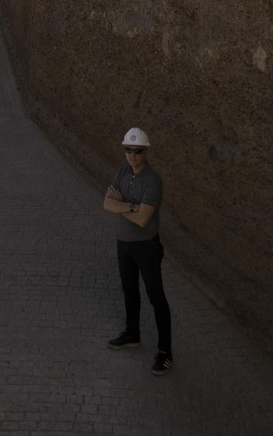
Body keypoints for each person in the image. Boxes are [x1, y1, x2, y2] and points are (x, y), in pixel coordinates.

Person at [103, 127, 172, 375]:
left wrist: (121, 206)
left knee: (156, 297)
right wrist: (133, 206)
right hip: (124, 243)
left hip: (146, 247)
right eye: (128, 150)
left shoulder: (153, 181)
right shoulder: (122, 172)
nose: (132, 155)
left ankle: (165, 352)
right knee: (129, 290)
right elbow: (106, 203)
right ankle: (132, 333)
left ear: (145, 152)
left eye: (137, 151)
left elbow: (144, 220)